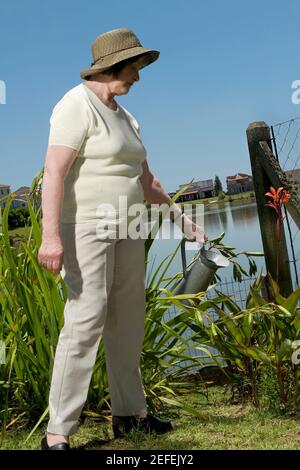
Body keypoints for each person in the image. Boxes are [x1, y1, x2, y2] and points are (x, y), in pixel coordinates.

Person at [38, 28, 205, 450]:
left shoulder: (128, 118)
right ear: (113, 64)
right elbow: (54, 172)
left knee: (128, 319)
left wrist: (181, 218)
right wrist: (50, 236)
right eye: (135, 67)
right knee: (86, 317)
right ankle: (58, 430)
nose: (139, 77)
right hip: (87, 227)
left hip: (130, 227)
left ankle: (131, 415)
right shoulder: (75, 106)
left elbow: (147, 179)